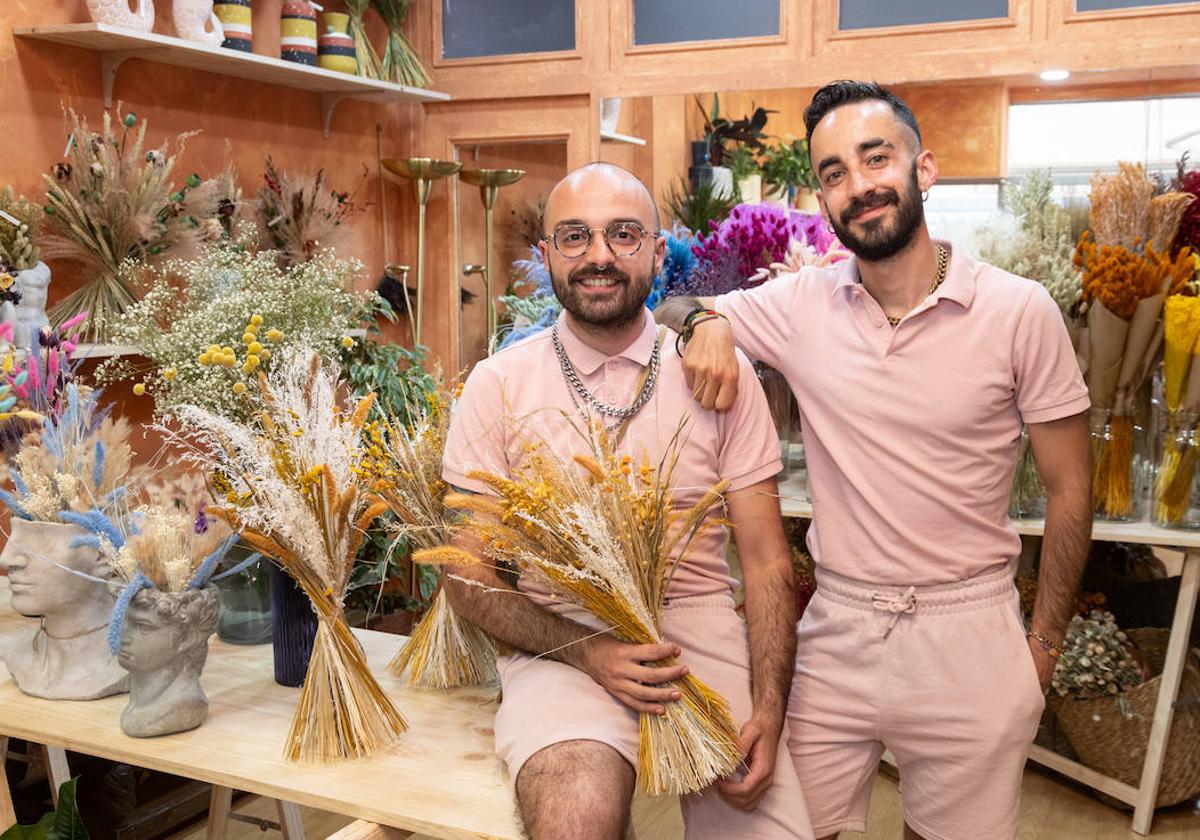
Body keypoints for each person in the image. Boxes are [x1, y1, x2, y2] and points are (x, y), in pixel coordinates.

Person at [656, 80, 1092, 840]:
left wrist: (1041, 651)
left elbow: (1071, 489)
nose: (858, 187)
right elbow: (666, 305)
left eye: (874, 158)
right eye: (832, 174)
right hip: (837, 633)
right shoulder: (801, 305)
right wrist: (703, 321)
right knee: (775, 826)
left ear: (923, 169)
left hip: (971, 636)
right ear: (822, 199)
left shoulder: (1020, 311)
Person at [441, 162, 814, 840]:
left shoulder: (720, 377)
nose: (600, 256)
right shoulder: (497, 385)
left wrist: (769, 704)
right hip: (564, 638)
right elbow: (465, 572)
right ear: (548, 253)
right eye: (575, 237)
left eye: (623, 234)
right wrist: (589, 651)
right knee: (575, 820)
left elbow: (765, 563)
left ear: (655, 248)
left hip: (700, 628)